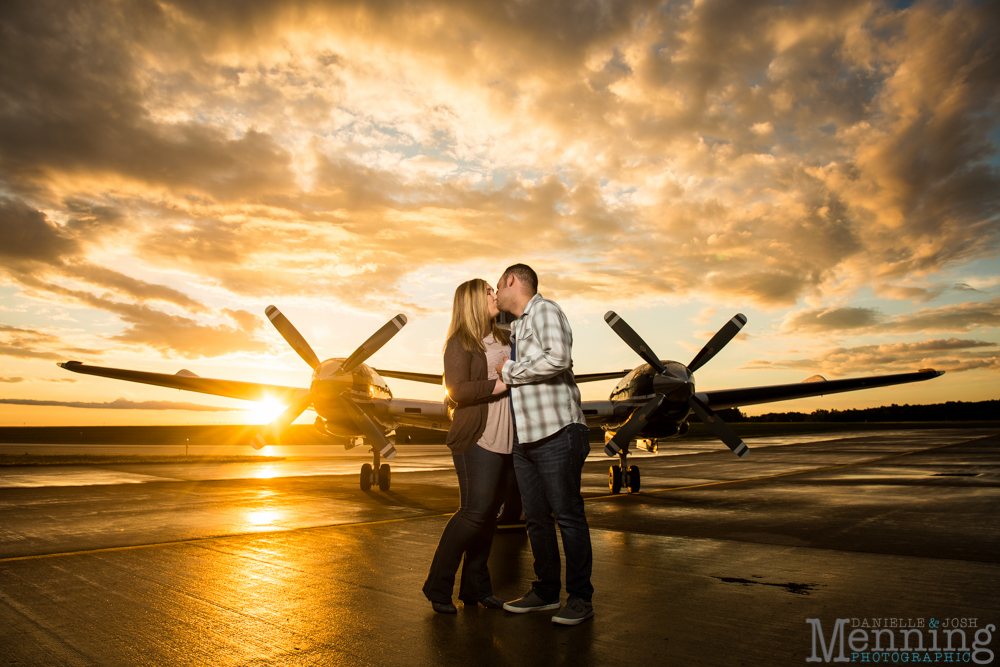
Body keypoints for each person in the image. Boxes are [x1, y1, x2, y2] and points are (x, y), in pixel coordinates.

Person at [494, 263, 594, 626]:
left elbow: (558, 358)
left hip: (557, 432)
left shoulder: (545, 310)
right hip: (527, 438)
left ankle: (581, 599)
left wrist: (509, 371)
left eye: (497, 287)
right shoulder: (517, 326)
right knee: (535, 519)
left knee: (567, 516)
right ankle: (546, 591)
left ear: (511, 281)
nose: (496, 294)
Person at [422, 278, 514, 614]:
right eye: (488, 292)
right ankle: (437, 586)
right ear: (473, 302)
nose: (494, 296)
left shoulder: (505, 337)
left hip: (506, 438)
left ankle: (476, 588)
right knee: (474, 513)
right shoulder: (460, 343)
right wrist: (504, 382)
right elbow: (458, 390)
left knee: (489, 516)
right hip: (478, 438)